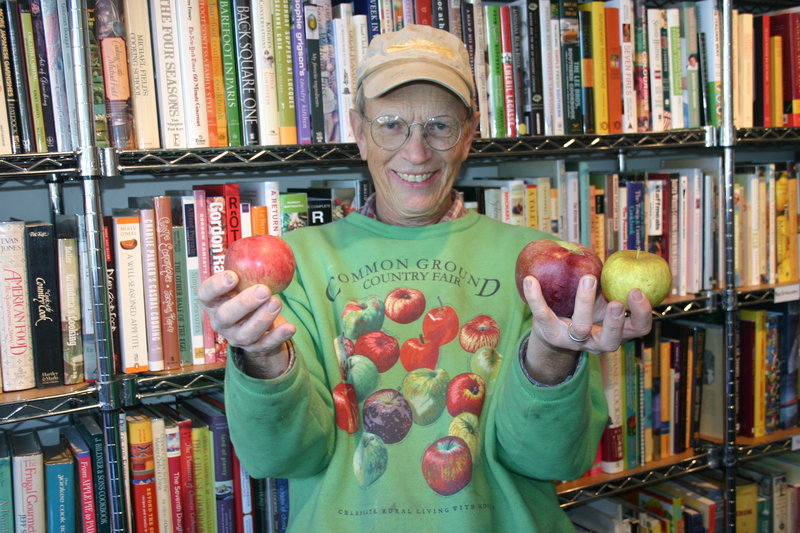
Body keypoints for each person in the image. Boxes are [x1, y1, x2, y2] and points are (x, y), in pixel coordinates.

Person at [200, 24, 653, 532]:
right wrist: (261, 356)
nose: (416, 153)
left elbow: (551, 462)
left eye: (440, 126)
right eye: (390, 124)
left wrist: (553, 355)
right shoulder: (297, 264)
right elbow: (279, 458)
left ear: (470, 133)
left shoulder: (541, 265)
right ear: (358, 128)